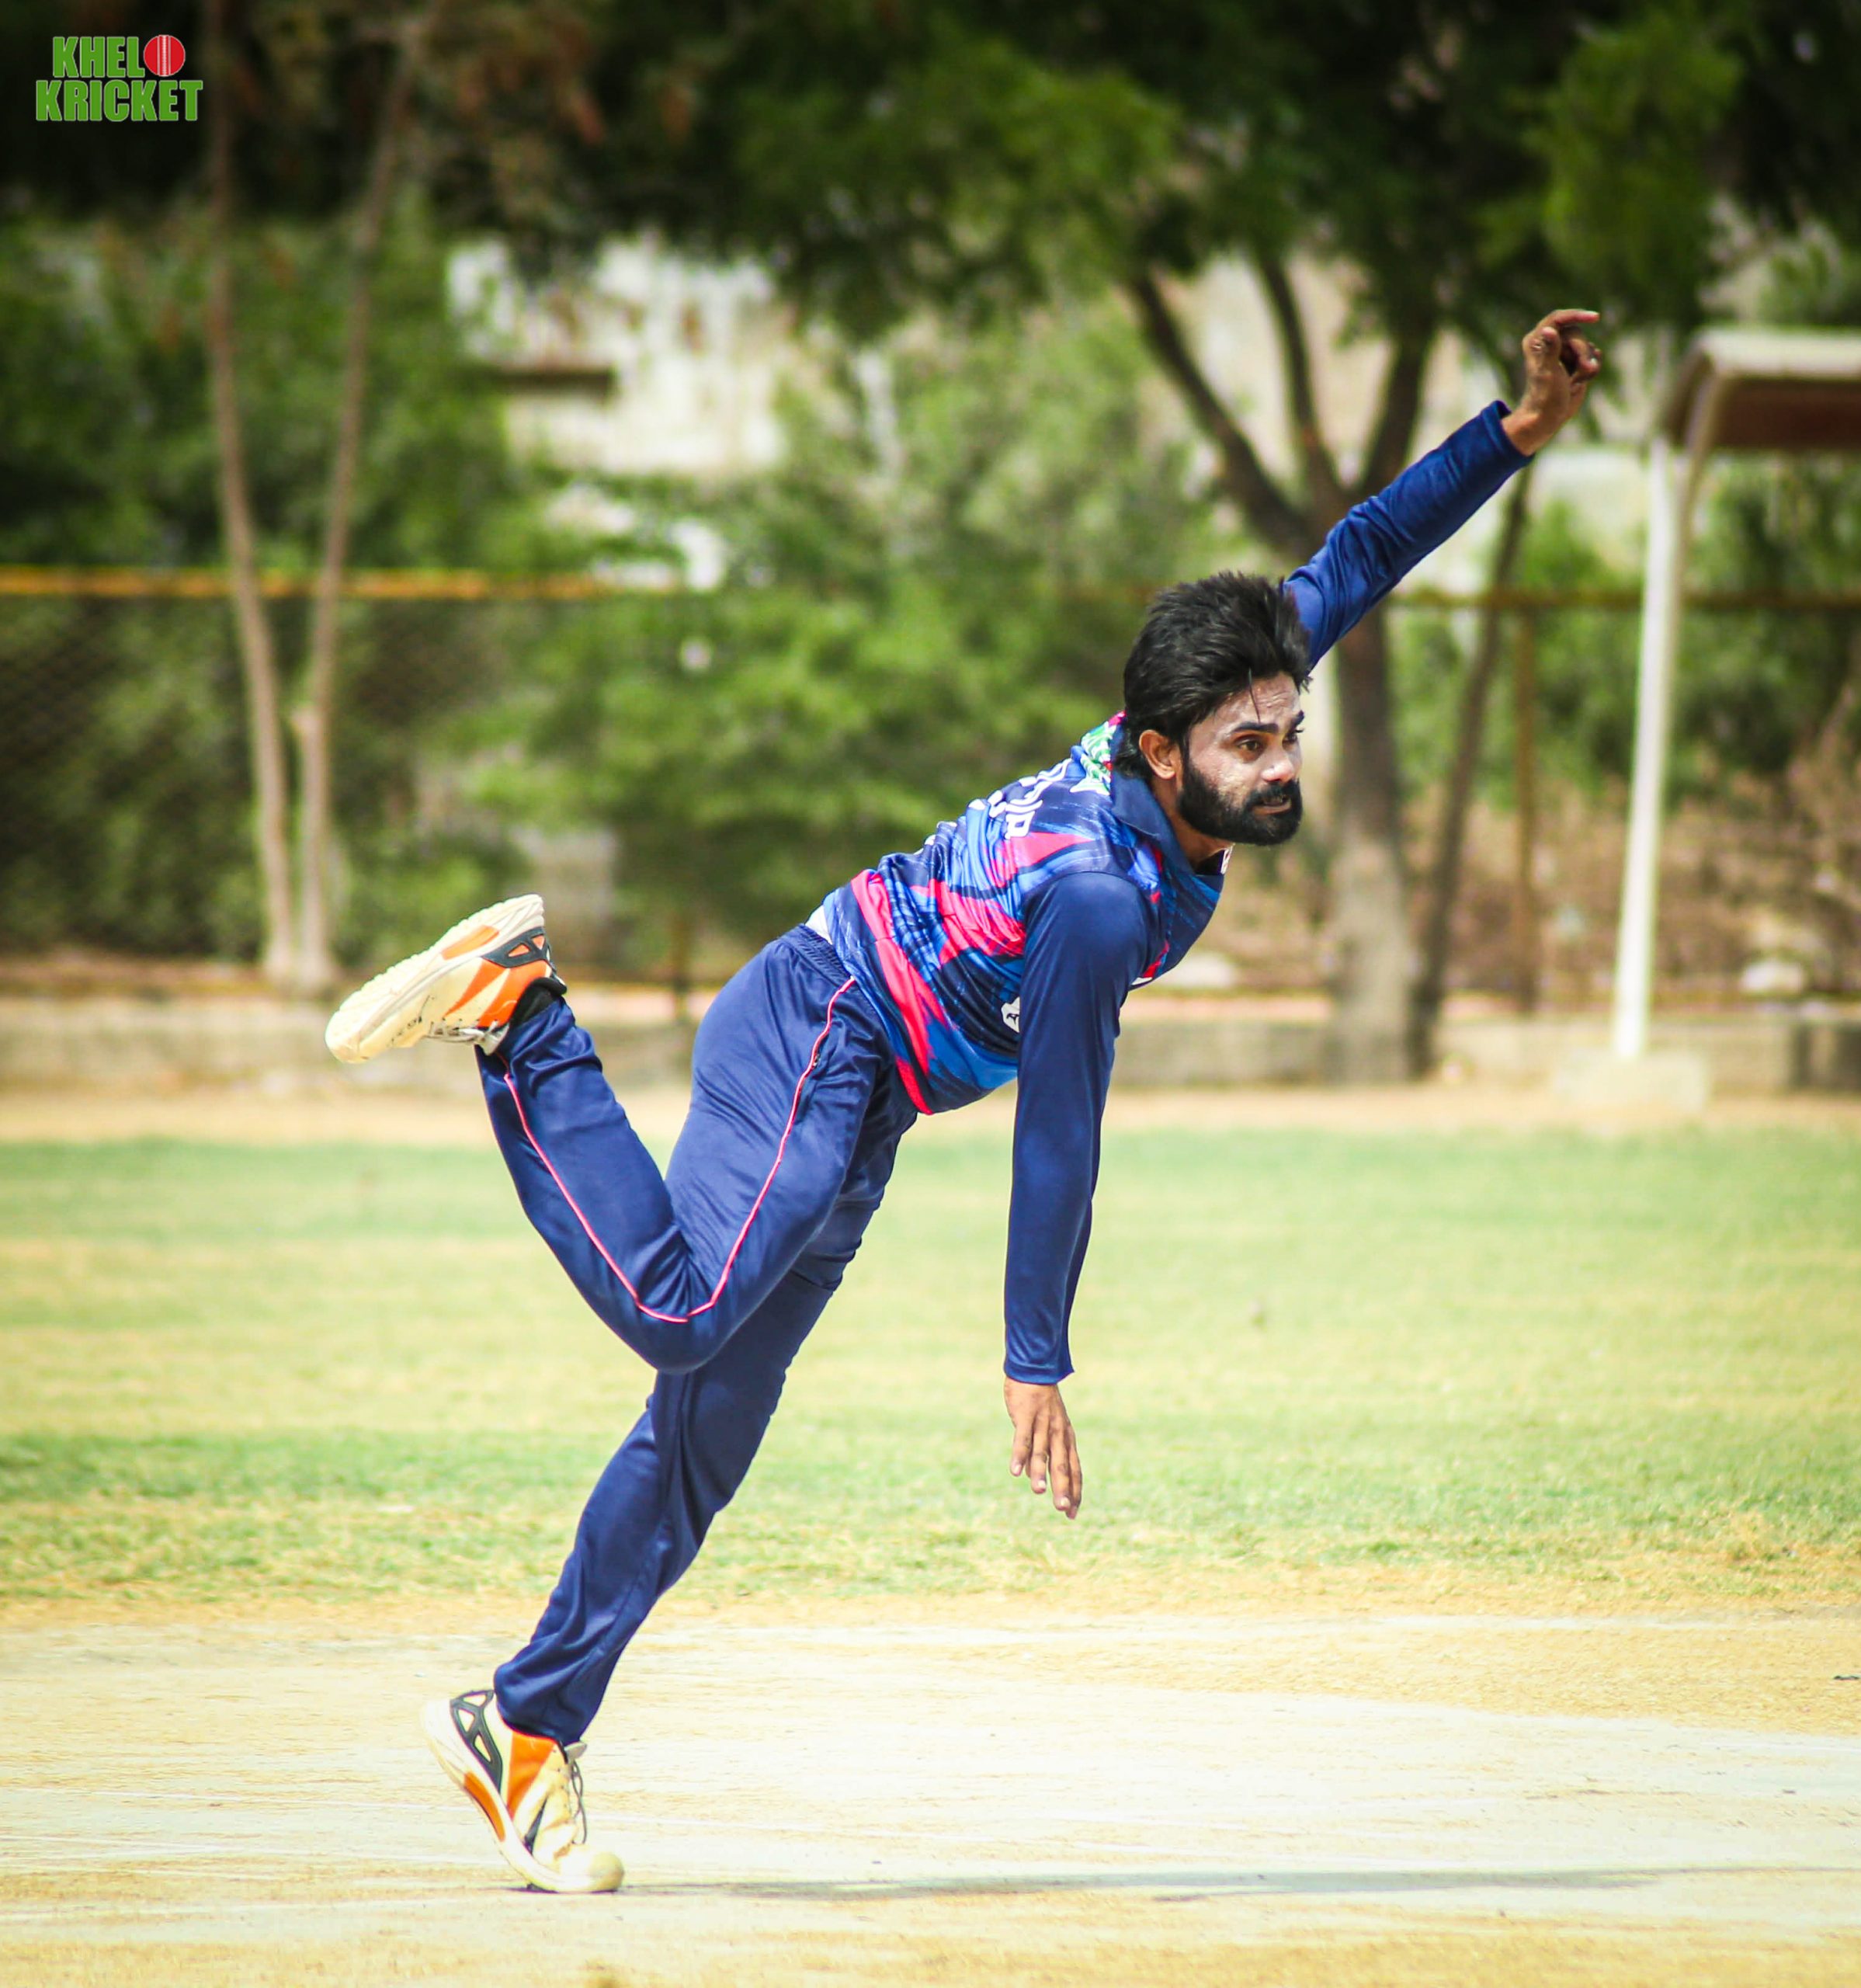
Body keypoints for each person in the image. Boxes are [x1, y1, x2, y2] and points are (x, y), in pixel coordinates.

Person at [325, 308, 1602, 1893]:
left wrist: (1517, 429)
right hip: (824, 1018)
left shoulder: (1208, 722)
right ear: (1158, 754)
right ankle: (523, 1018)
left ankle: (523, 1723)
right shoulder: (1095, 898)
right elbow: (1060, 1129)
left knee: (705, 1431)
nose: (1279, 762)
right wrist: (1032, 1357)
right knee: (683, 1310)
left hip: (871, 1092)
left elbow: (1362, 552)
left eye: (1288, 731)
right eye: (1246, 744)